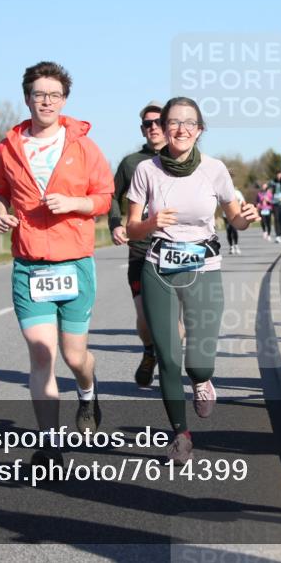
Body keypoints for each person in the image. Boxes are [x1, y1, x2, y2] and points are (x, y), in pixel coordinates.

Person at [0, 61, 114, 465]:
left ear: (64, 100)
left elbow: (104, 197)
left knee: (75, 357)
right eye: (39, 94)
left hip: (74, 262)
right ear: (27, 98)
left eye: (54, 95)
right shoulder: (8, 148)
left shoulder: (83, 146)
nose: (46, 101)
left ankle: (88, 393)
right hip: (29, 265)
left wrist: (75, 203)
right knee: (42, 354)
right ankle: (50, 445)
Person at [125, 97, 259, 463]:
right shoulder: (146, 171)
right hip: (158, 266)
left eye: (189, 123)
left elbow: (236, 218)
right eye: (174, 122)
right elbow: (131, 228)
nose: (181, 128)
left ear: (199, 130)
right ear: (164, 128)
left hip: (203, 269)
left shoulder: (214, 170)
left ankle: (202, 380)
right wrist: (151, 224)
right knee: (168, 358)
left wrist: (248, 215)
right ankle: (180, 434)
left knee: (198, 362)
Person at [108, 100, 169, 387]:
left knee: (174, 324)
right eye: (148, 124)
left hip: (174, 252)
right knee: (144, 316)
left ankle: (171, 368)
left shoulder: (185, 159)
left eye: (159, 122)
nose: (154, 127)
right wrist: (115, 224)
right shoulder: (131, 163)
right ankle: (149, 353)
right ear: (142, 129)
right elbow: (110, 194)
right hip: (141, 251)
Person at [225, 179, 245, 255]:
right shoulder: (224, 193)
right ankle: (231, 247)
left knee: (234, 230)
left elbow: (243, 202)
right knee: (228, 231)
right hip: (226, 215)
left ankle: (236, 245)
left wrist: (244, 210)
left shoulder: (237, 193)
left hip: (236, 214)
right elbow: (219, 204)